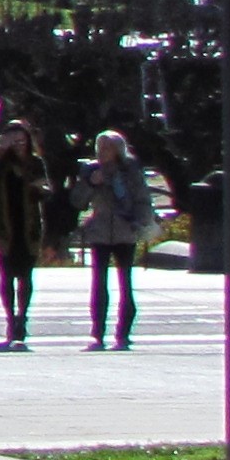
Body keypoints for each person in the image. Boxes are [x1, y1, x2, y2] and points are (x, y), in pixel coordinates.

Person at [71, 128, 157, 351]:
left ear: (118, 150)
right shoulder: (90, 170)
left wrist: (141, 222)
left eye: (108, 147)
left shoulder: (129, 170)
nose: (103, 152)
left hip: (124, 231)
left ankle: (124, 332)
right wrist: (90, 183)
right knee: (99, 282)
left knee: (125, 282)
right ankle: (98, 331)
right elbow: (77, 201)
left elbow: (142, 199)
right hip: (100, 231)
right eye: (100, 147)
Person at [0, 120, 48, 346]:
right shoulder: (0, 162)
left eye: (21, 140)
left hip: (28, 226)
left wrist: (41, 189)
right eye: (13, 141)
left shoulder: (34, 162)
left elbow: (44, 190)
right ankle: (10, 318)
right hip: (4, 225)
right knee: (6, 275)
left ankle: (22, 317)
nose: (18, 145)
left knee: (26, 276)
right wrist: (0, 149)